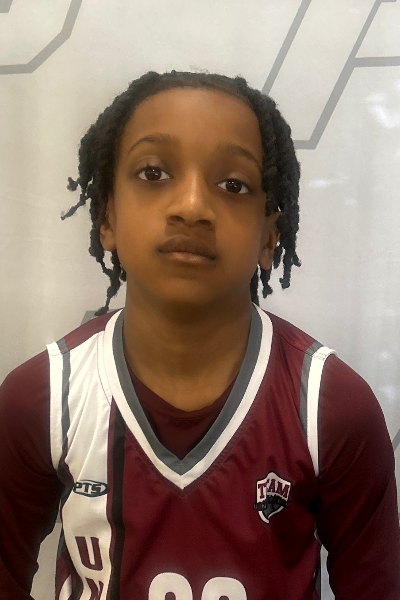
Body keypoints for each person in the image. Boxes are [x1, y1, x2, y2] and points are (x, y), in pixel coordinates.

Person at [0, 69, 398, 600]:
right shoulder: (42, 399)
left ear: (270, 237)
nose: (191, 206)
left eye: (233, 185)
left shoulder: (333, 409)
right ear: (107, 217)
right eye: (153, 172)